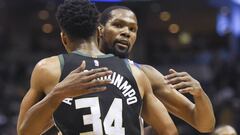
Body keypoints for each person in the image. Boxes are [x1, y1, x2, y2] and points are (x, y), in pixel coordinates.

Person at [17, 0, 178, 135]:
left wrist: (57, 95)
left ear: (64, 38)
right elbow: (169, 131)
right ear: (99, 32)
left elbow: (24, 132)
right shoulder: (136, 73)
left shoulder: (48, 69)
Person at [97, 6, 215, 133]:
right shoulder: (76, 65)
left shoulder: (145, 74)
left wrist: (199, 94)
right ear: (100, 29)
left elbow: (204, 125)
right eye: (118, 25)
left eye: (133, 29)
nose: (127, 32)